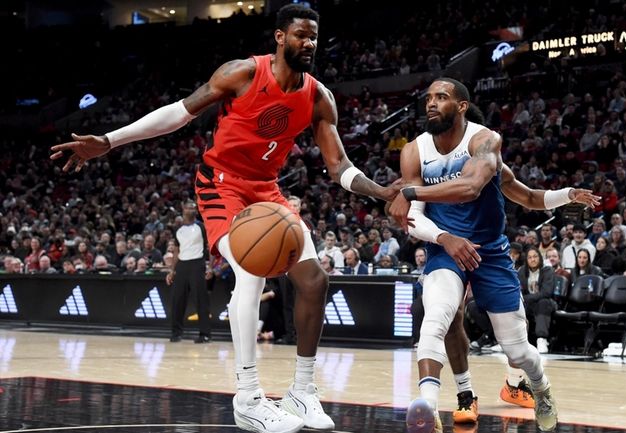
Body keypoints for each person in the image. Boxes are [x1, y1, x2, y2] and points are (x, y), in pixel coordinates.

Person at [51, 5, 400, 433]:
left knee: (314, 280)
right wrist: (109, 140)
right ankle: (248, 396)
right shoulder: (242, 74)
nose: (308, 43)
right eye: (300, 35)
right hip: (221, 184)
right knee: (251, 273)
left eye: (313, 36)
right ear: (279, 37)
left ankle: (302, 392)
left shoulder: (318, 97)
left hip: (266, 191)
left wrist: (380, 190)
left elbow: (338, 166)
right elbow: (179, 112)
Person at [388, 77, 599, 432]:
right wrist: (445, 237)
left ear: (461, 106)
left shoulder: (485, 141)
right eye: (429, 98)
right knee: (436, 317)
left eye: (442, 97)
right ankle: (425, 404)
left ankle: (541, 386)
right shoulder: (414, 151)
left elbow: (516, 195)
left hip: (491, 253)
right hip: (445, 249)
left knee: (517, 351)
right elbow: (412, 218)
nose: (432, 103)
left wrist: (567, 194)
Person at [166, 201, 212, 344]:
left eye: (193, 207)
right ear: (183, 209)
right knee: (177, 300)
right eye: (188, 207)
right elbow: (176, 251)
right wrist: (172, 270)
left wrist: (210, 266)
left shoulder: (201, 227)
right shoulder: (178, 229)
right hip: (182, 265)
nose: (191, 209)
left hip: (197, 263)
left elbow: (209, 246)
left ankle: (205, 334)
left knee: (200, 299)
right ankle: (176, 333)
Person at [519, 249, 557, 354]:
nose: (533, 259)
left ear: (540, 258)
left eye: (535, 256)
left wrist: (526, 298)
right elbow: (519, 291)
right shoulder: (522, 271)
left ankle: (542, 339)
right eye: (530, 257)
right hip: (529, 304)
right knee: (515, 305)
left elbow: (546, 292)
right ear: (526, 260)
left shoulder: (548, 270)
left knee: (543, 302)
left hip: (547, 303)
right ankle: (512, 340)